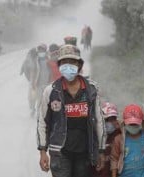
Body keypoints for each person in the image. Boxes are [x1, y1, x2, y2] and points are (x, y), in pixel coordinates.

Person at [37, 44, 106, 177]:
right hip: (60, 152)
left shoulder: (91, 90)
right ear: (59, 65)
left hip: (85, 153)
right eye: (64, 62)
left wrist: (101, 151)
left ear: (79, 65)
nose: (68, 65)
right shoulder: (51, 91)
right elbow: (42, 123)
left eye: (72, 61)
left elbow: (99, 121)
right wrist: (42, 151)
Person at [110, 104, 144, 177]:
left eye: (135, 124)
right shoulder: (119, 139)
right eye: (130, 124)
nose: (133, 126)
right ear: (124, 123)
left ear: (142, 123)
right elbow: (114, 160)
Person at [92, 102, 121, 177]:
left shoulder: (119, 135)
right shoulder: (94, 137)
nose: (110, 123)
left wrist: (121, 127)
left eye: (113, 119)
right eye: (107, 120)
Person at [20, 43, 48, 116]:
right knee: (33, 97)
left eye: (42, 50)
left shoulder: (49, 60)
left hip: (46, 83)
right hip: (36, 83)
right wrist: (31, 81)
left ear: (45, 51)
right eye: (39, 50)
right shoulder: (35, 61)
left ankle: (40, 112)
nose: (41, 52)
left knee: (42, 99)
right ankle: (33, 109)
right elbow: (30, 69)